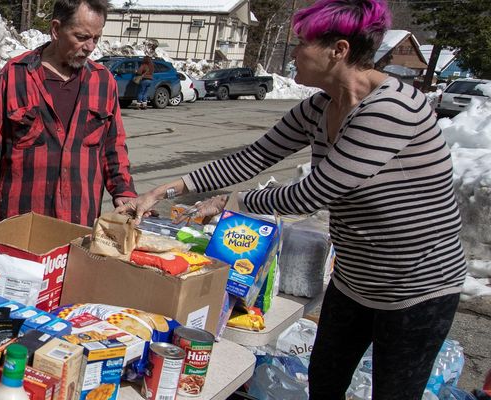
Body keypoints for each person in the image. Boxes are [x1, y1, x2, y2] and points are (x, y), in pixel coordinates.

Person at [120, 1, 466, 398]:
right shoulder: (321, 106)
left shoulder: (392, 107)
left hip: (417, 286)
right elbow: (255, 157)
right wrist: (165, 190)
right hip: (355, 281)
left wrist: (229, 202)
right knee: (325, 383)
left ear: (338, 50)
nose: (294, 51)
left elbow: (316, 191)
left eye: (303, 43)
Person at [0, 0, 136, 227]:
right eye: (82, 37)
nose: (91, 47)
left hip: (77, 222)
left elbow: (113, 147)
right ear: (56, 29)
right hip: (20, 222)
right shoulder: (16, 75)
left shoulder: (103, 82)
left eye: (96, 38)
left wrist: (123, 190)